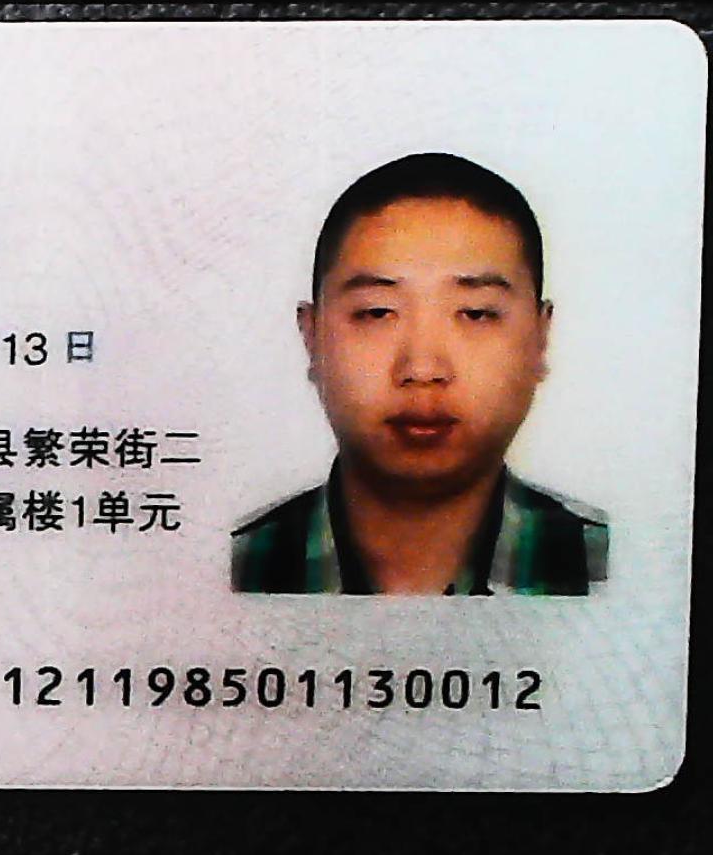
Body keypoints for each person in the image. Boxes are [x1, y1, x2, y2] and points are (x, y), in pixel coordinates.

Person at [230, 152, 608, 595]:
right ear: (311, 338)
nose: (423, 369)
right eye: (377, 312)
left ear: (540, 339)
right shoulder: (231, 569)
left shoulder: (614, 569)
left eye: (476, 313)